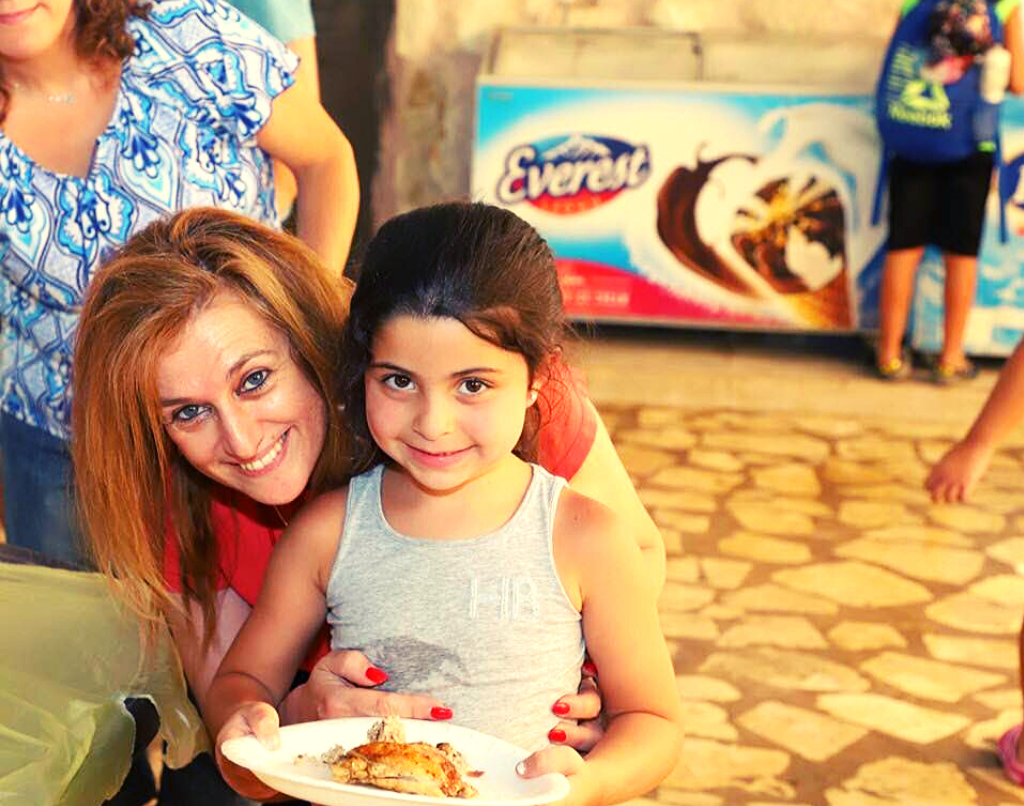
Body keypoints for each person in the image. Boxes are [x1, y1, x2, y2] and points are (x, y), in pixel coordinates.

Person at [72, 207, 666, 792]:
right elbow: (239, 709)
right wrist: (286, 719)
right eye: (188, 413)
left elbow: (640, 624)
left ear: (317, 347)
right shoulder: (310, 530)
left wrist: (586, 691)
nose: (242, 439)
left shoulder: (514, 401)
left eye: (255, 379)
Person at [0, 0, 358, 567]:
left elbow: (325, 160)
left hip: (258, 403)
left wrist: (307, 325)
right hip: (66, 442)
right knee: (94, 641)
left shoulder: (188, 34)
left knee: (275, 623)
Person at [873, 0, 1024, 382]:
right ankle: (950, 357)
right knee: (962, 253)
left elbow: (896, 63)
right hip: (970, 143)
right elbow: (1018, 82)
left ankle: (889, 353)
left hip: (913, 135)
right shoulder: (1005, 6)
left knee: (904, 245)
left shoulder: (913, 2)